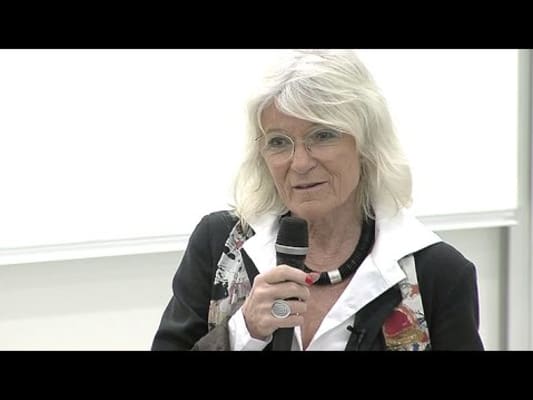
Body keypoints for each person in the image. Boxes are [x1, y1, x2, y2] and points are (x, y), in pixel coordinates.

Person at [151, 49, 484, 351]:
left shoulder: (437, 273)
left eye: (322, 135)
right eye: (278, 142)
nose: (299, 163)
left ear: (365, 143)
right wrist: (244, 330)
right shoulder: (220, 244)